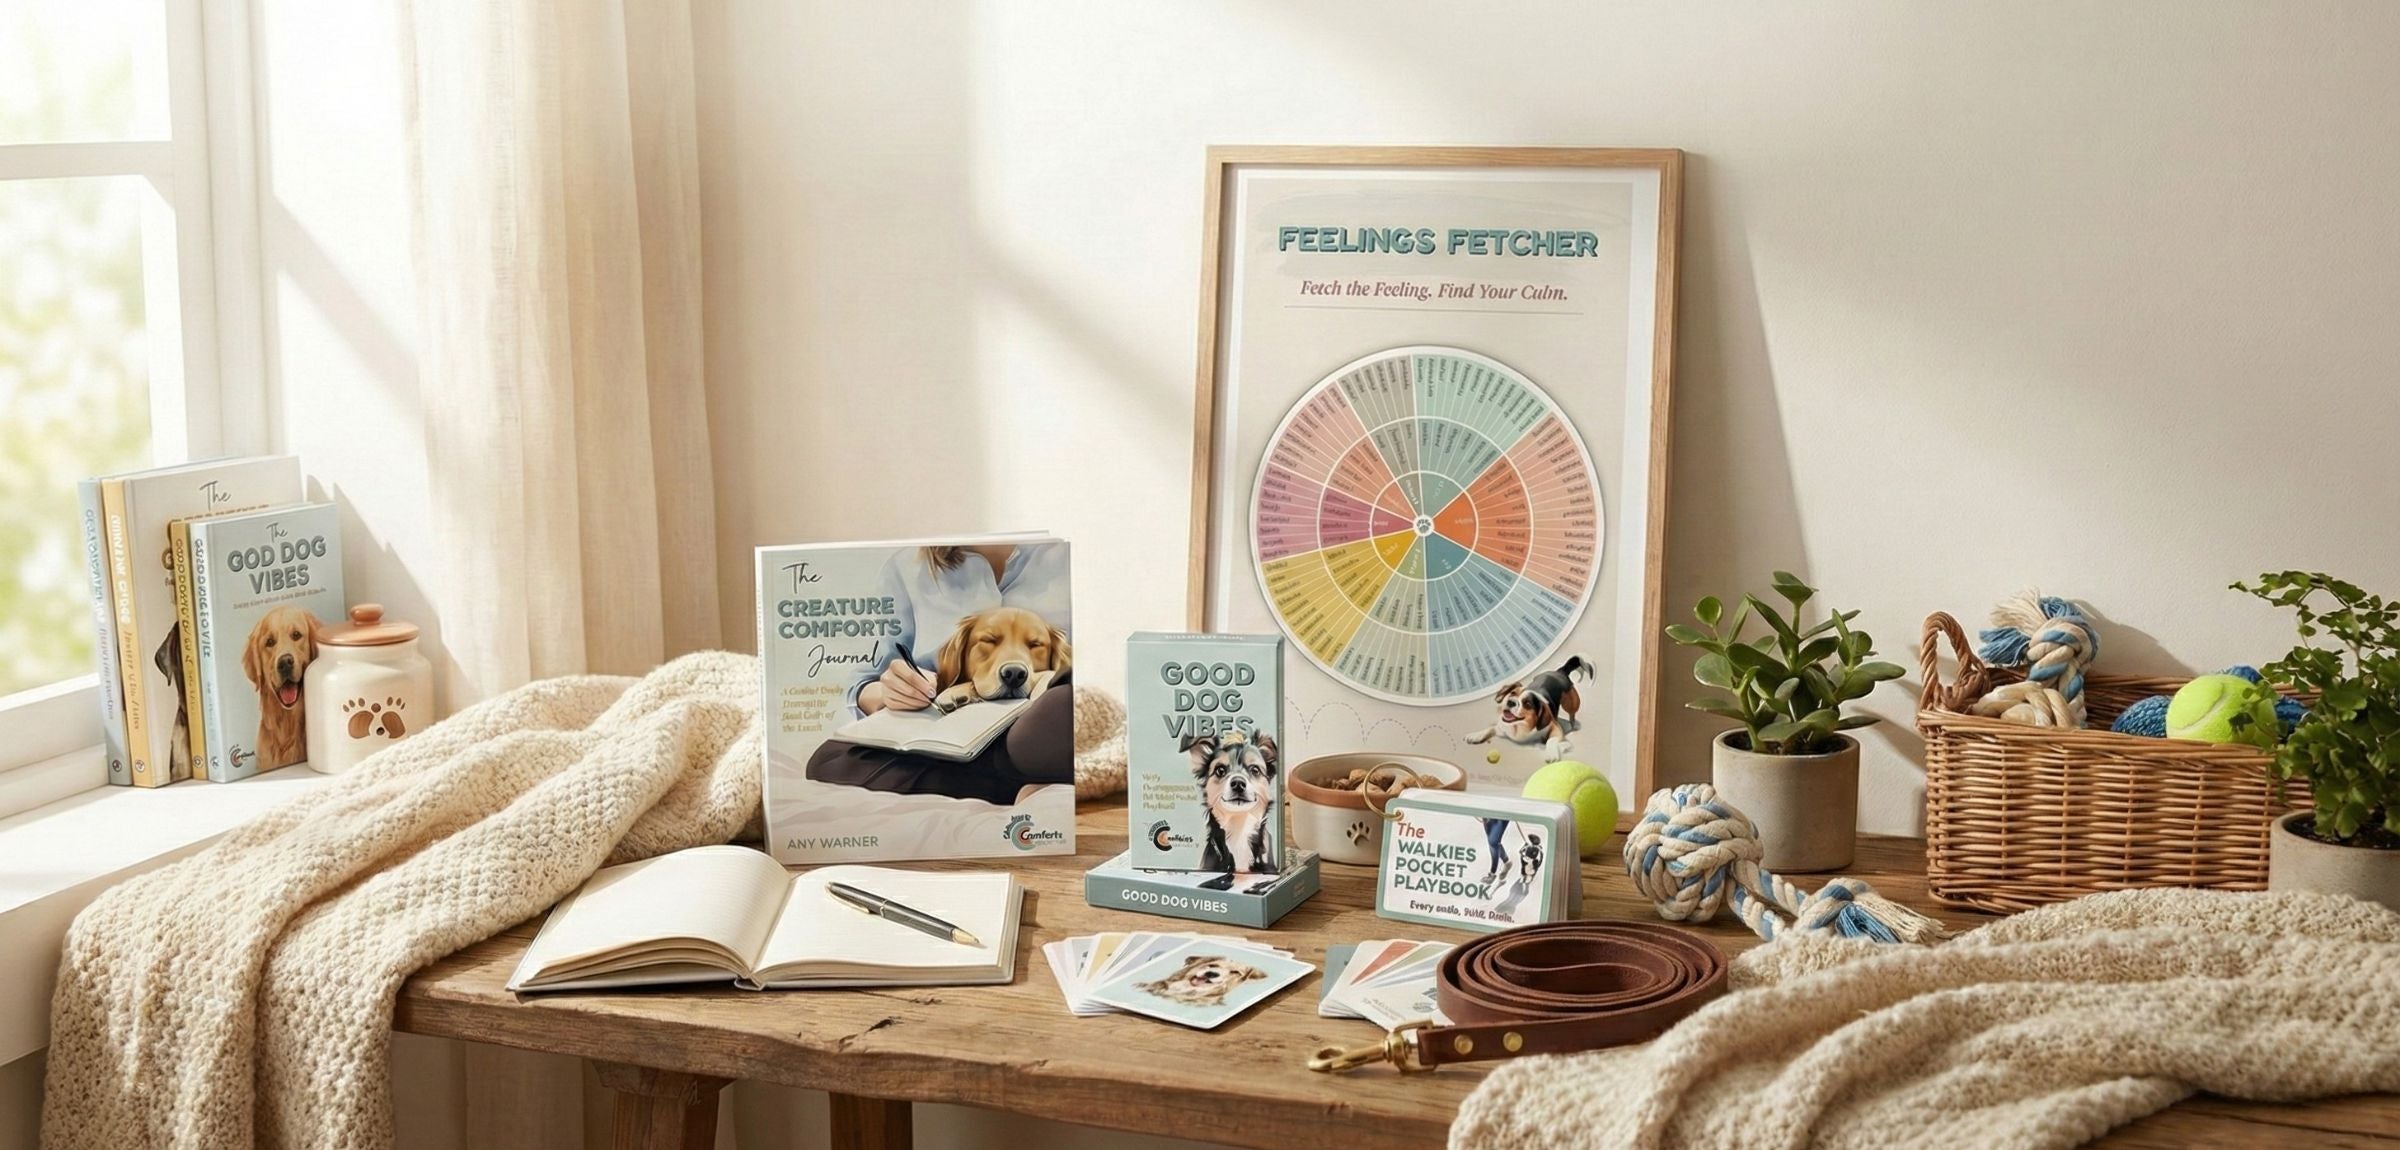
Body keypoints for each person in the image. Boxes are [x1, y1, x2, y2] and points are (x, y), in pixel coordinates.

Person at [808, 542, 1075, 804]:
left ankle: (1011, 778)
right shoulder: (905, 567)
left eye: (1034, 645)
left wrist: (1047, 680)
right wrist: (889, 691)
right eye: (989, 641)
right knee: (830, 760)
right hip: (947, 729)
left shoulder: (1066, 556)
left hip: (1040, 722)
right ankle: (1020, 785)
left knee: (1053, 712)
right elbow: (865, 683)